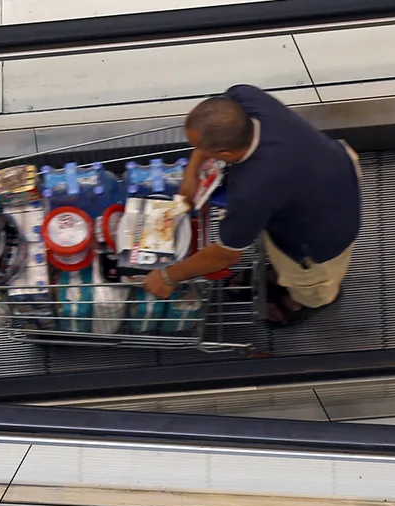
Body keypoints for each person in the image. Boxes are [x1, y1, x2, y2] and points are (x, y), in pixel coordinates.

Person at [141, 84, 362, 327]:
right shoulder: (246, 97)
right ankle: (278, 273)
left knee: (312, 282)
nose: (199, 152)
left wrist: (167, 276)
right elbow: (219, 114)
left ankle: (306, 300)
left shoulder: (253, 189)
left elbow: (226, 254)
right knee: (275, 231)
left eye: (203, 149)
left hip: (324, 228)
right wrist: (192, 172)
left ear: (226, 153)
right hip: (332, 163)